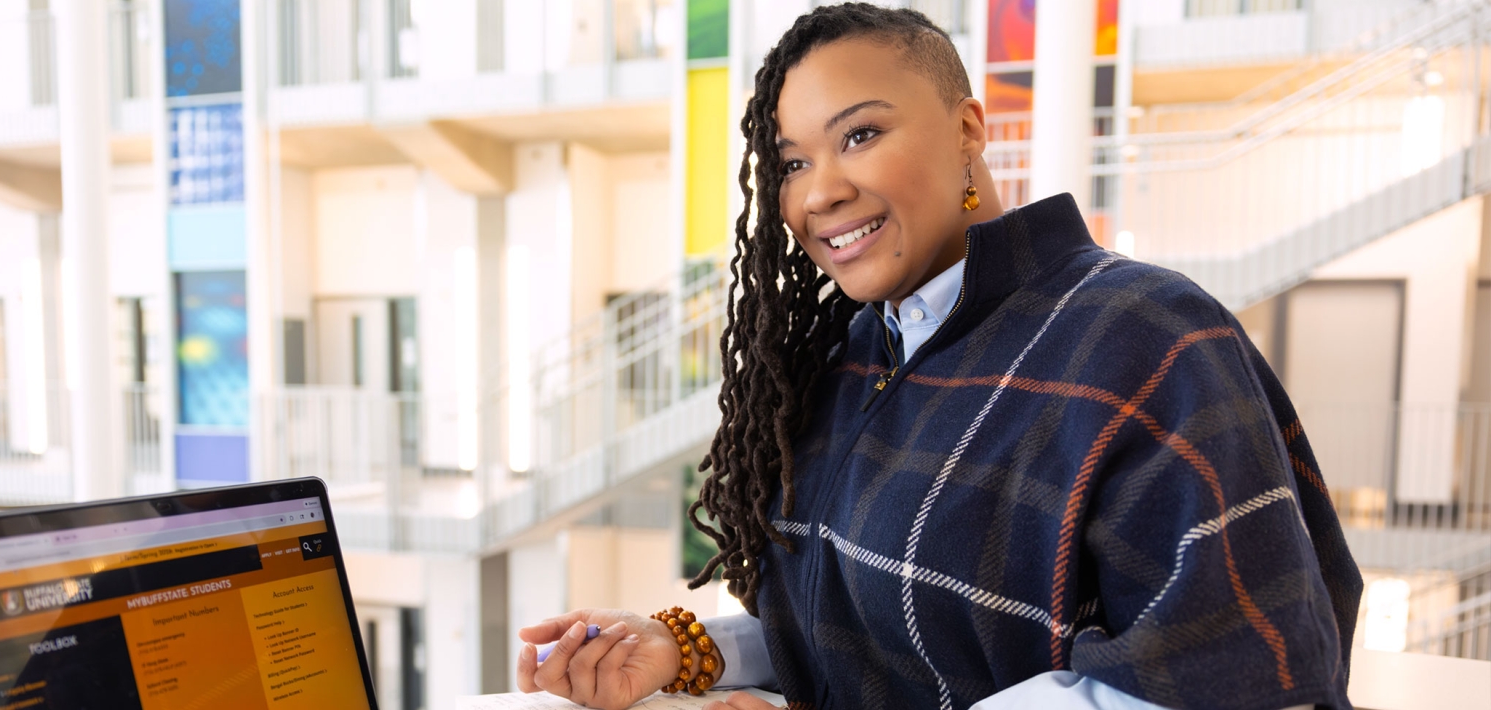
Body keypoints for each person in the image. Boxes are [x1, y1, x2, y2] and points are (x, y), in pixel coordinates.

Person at [516, 4, 1363, 709]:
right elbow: (875, 634)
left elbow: (1236, 671)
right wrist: (689, 648)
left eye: (860, 135)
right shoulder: (851, 354)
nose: (819, 192)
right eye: (793, 163)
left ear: (968, 130)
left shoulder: (1146, 333)